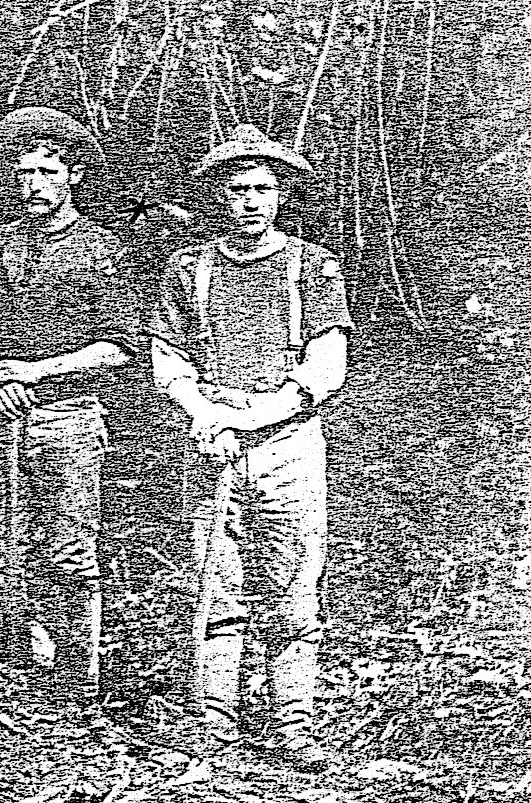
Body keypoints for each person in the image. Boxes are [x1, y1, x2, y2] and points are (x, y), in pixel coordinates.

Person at [148, 125, 350, 770]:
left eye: (263, 187)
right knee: (217, 576)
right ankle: (213, 715)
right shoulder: (189, 267)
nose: (250, 200)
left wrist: (269, 409)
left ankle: (293, 714)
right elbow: (168, 355)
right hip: (210, 438)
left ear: (282, 192)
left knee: (294, 573)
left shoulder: (311, 264)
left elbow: (326, 360)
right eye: (237, 189)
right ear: (220, 197)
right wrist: (201, 410)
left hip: (287, 438)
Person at [0, 107, 136, 694]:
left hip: (71, 415)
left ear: (74, 176)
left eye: (47, 171)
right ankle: (4, 671)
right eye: (22, 170)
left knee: (70, 550)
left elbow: (118, 345)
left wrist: (34, 372)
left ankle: (79, 679)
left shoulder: (102, 250)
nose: (33, 183)